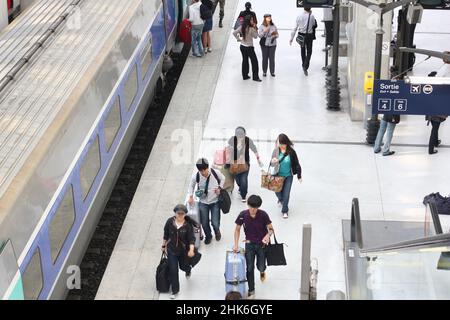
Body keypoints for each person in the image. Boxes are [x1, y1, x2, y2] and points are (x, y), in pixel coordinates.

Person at [233, 195, 274, 299]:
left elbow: (271, 229)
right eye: (251, 207)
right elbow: (237, 229)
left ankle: (262, 271)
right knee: (250, 268)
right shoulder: (243, 215)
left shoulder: (263, 215)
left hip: (262, 245)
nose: (252, 209)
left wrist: (267, 235)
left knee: (260, 266)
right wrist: (236, 244)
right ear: (248, 205)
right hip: (249, 244)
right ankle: (251, 291)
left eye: (255, 208)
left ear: (258, 207)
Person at [162, 204, 196, 299]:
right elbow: (166, 234)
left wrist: (191, 250)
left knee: (183, 266)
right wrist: (163, 245)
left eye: (182, 213)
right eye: (178, 213)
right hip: (171, 250)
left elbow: (191, 239)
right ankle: (175, 290)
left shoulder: (187, 225)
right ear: (175, 213)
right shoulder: (170, 222)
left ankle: (188, 270)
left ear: (185, 214)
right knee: (173, 270)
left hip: (183, 252)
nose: (180, 215)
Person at [188, 158, 225, 244]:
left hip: (215, 201)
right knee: (204, 223)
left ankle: (217, 231)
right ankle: (208, 236)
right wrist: (190, 196)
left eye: (204, 170)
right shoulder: (196, 176)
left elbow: (223, 178)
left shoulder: (215, 173)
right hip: (203, 202)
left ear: (207, 167)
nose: (203, 172)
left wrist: (220, 188)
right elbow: (191, 185)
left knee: (215, 222)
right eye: (201, 171)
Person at [227, 127, 263, 202]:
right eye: (238, 136)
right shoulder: (232, 140)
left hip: (245, 163)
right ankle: (241, 188)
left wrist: (259, 160)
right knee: (238, 180)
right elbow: (228, 150)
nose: (240, 137)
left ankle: (243, 195)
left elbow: (254, 150)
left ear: (244, 134)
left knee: (244, 179)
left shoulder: (247, 140)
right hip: (235, 164)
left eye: (241, 136)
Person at [271, 134, 302, 219]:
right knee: (277, 191)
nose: (282, 146)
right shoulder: (275, 151)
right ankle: (281, 200)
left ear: (287, 143)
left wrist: (299, 176)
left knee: (286, 194)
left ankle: (285, 210)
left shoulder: (291, 152)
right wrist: (273, 162)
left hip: (288, 176)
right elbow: (271, 164)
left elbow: (297, 164)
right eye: (280, 144)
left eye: (283, 144)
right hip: (277, 175)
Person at [289, 6, 318, 76]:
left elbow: (295, 28)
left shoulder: (299, 16)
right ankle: (305, 66)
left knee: (302, 50)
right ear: (310, 8)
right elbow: (314, 24)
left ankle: (303, 65)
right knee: (309, 51)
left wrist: (291, 38)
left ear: (303, 8)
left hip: (301, 35)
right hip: (309, 36)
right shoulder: (312, 16)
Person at [233, 15, 261, 82]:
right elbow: (256, 36)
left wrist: (239, 39)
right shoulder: (251, 29)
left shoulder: (242, 27)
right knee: (254, 62)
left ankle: (245, 75)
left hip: (242, 46)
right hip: (249, 47)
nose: (253, 21)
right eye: (251, 20)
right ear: (249, 21)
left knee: (245, 61)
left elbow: (234, 33)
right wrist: (255, 28)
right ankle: (255, 77)